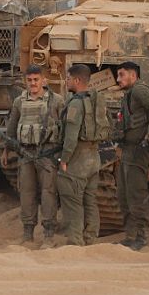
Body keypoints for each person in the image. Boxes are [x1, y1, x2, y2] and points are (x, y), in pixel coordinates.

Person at [2, 64, 65, 247]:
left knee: (48, 194)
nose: (33, 83)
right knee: (27, 194)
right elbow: (12, 127)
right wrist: (7, 150)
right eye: (29, 80)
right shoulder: (19, 102)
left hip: (47, 153)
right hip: (26, 154)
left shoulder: (56, 101)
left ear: (43, 80)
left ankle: (48, 235)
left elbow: (64, 127)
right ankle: (28, 234)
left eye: (36, 79)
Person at [112, 61, 149, 251]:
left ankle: (141, 236)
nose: (118, 79)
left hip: (138, 150)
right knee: (123, 195)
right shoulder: (129, 94)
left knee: (136, 195)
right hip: (127, 149)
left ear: (133, 75)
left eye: (122, 75)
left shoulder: (140, 91)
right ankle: (130, 235)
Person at [56, 64, 107, 247]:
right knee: (90, 200)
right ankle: (91, 238)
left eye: (68, 78)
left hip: (78, 157)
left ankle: (75, 240)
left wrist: (64, 159)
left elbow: (70, 136)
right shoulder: (95, 99)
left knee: (72, 200)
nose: (66, 82)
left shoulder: (76, 103)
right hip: (94, 156)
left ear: (77, 80)